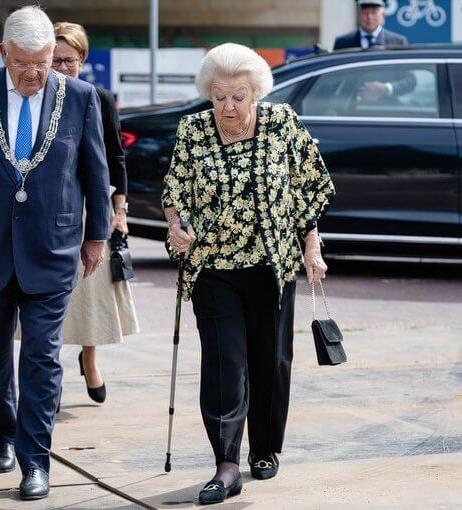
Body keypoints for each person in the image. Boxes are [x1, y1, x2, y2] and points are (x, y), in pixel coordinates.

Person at [0, 6, 110, 501]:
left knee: (42, 357)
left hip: (52, 246)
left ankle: (36, 460)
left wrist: (97, 235)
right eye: (24, 62)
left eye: (45, 61)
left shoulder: (80, 97)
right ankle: (1, 430)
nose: (34, 73)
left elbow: (95, 171)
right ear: (3, 52)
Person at [162, 43, 335, 505]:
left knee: (270, 360)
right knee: (224, 363)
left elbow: (308, 189)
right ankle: (227, 462)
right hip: (212, 267)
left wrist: (311, 247)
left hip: (271, 266)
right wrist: (176, 226)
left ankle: (264, 447)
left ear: (256, 92)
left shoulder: (283, 125)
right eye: (218, 96)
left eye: (238, 96)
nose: (227, 108)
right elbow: (174, 190)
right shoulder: (193, 130)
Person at [51, 21, 139, 404]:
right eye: (53, 60)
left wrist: (119, 211)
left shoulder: (98, 97)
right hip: (48, 207)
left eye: (68, 60)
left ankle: (89, 356)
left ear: (82, 59)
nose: (60, 68)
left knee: (88, 292)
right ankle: (47, 373)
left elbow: (116, 158)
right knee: (51, 294)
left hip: (91, 206)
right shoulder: (35, 95)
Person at [334, 0, 414, 101]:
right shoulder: (343, 43)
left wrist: (386, 88)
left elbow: (410, 81)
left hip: (387, 109)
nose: (369, 17)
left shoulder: (397, 42)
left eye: (374, 13)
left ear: (383, 16)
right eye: (365, 13)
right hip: (348, 109)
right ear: (358, 15)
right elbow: (334, 80)